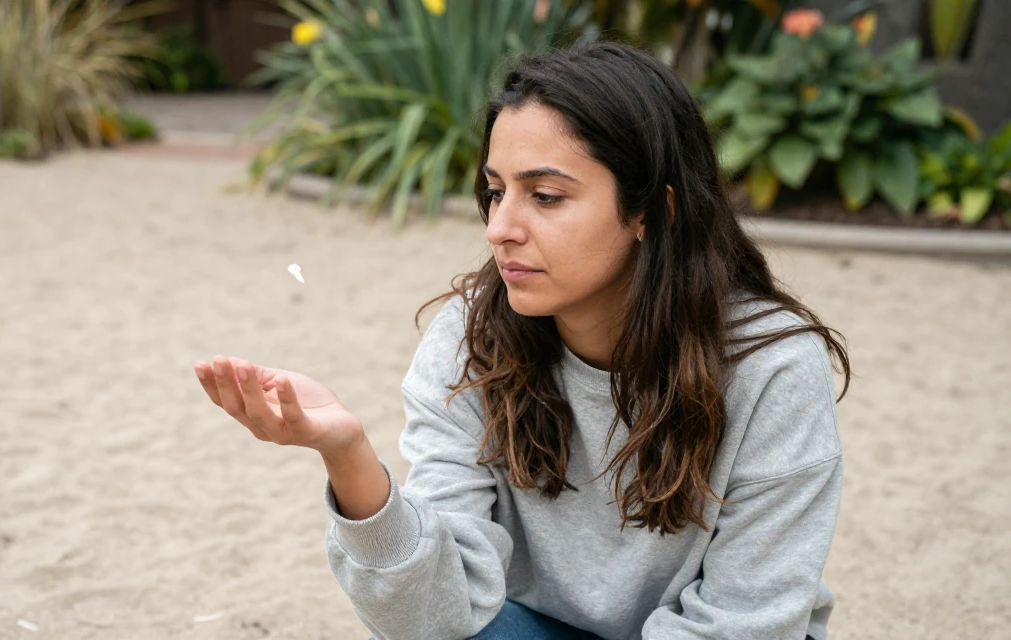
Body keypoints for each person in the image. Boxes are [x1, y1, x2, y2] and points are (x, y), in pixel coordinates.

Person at [194, 41, 850, 640]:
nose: (500, 228)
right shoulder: (469, 336)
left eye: (546, 196)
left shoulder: (772, 367)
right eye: (495, 191)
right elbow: (430, 619)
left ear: (655, 211)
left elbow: (748, 621)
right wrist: (348, 456)